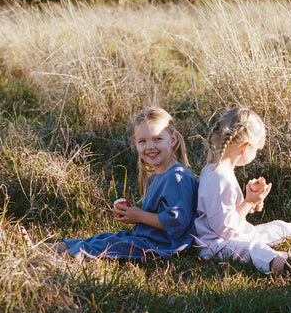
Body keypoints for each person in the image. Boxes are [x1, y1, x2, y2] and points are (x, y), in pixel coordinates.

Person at [47, 107, 198, 261]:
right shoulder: (159, 173)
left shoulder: (177, 177)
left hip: (163, 246)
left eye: (157, 139)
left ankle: (65, 253)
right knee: (106, 238)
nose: (150, 146)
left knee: (112, 245)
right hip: (149, 238)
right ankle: (56, 246)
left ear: (172, 140)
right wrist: (134, 214)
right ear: (136, 144)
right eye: (142, 141)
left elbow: (176, 222)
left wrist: (139, 216)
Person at [194, 106, 291, 276]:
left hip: (235, 233)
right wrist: (248, 202)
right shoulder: (218, 178)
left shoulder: (219, 170)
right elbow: (223, 228)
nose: (255, 155)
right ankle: (284, 265)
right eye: (256, 150)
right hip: (214, 245)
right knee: (253, 248)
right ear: (245, 147)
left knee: (275, 227)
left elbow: (225, 211)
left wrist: (250, 204)